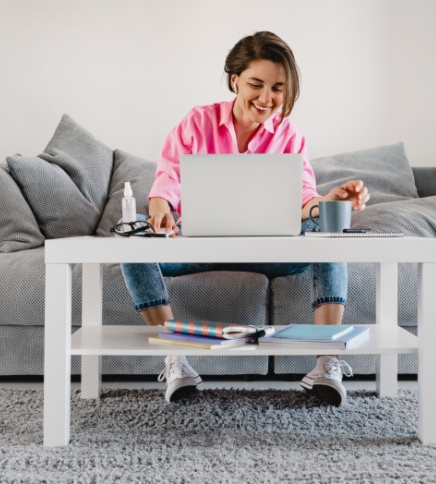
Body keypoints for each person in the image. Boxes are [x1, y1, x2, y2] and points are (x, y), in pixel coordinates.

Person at [121, 31, 369, 405]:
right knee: (134, 239)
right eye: (256, 84)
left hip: (270, 249)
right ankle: (177, 359)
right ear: (235, 79)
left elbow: (303, 196)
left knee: (327, 229)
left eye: (278, 88)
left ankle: (327, 363)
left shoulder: (289, 134)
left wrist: (325, 204)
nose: (266, 99)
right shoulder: (198, 122)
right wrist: (159, 207)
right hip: (198, 246)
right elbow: (168, 178)